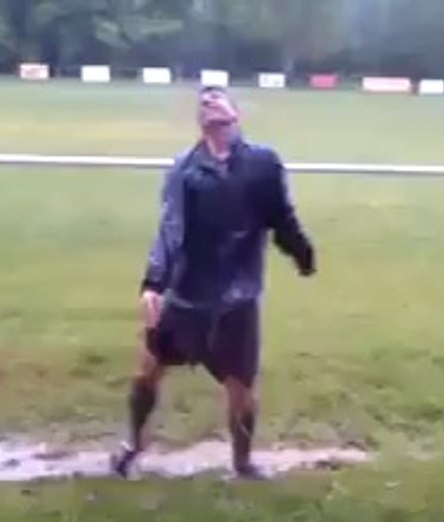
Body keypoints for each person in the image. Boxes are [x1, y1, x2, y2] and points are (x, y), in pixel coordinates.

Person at [111, 86, 317, 480]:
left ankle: (242, 464)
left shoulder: (263, 163)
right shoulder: (184, 169)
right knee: (148, 371)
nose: (209, 102)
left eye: (217, 97)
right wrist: (153, 283)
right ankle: (133, 445)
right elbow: (171, 229)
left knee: (241, 388)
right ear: (200, 122)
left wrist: (301, 253)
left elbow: (281, 217)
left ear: (236, 114)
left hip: (238, 300)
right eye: (203, 102)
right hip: (187, 296)